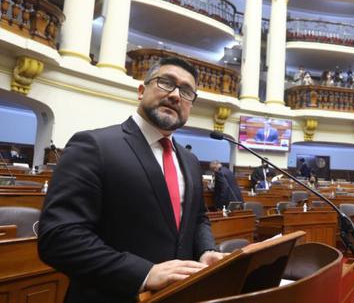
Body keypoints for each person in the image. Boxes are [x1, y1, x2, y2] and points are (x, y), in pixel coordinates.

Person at [38, 57, 225, 303]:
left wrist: (206, 249)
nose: (176, 95)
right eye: (166, 83)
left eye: (186, 92)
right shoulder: (94, 146)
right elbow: (59, 237)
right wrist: (144, 273)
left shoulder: (190, 160)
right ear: (141, 90)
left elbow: (198, 218)